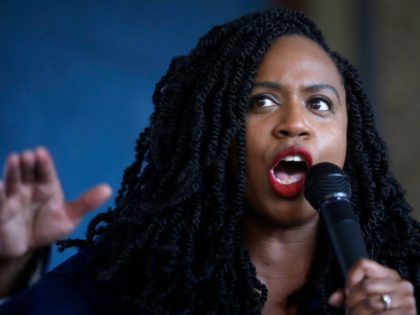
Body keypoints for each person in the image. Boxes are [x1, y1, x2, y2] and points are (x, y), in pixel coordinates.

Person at [0, 7, 418, 315]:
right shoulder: (125, 283)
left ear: (350, 134)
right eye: (262, 101)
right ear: (214, 131)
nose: (295, 123)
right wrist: (10, 269)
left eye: (320, 103)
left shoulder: (405, 286)